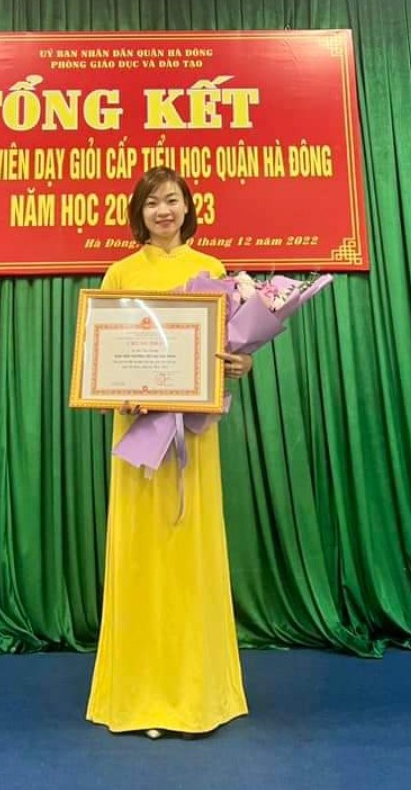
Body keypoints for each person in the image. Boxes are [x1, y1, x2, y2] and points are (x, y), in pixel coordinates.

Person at [86, 167, 252, 738]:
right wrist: (116, 389)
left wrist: (241, 363)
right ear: (140, 213)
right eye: (152, 202)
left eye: (172, 200)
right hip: (136, 432)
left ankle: (197, 697)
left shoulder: (212, 270)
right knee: (140, 556)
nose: (163, 210)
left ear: (187, 208)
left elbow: (227, 349)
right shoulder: (120, 273)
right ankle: (139, 699)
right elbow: (104, 354)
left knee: (189, 554)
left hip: (192, 436)